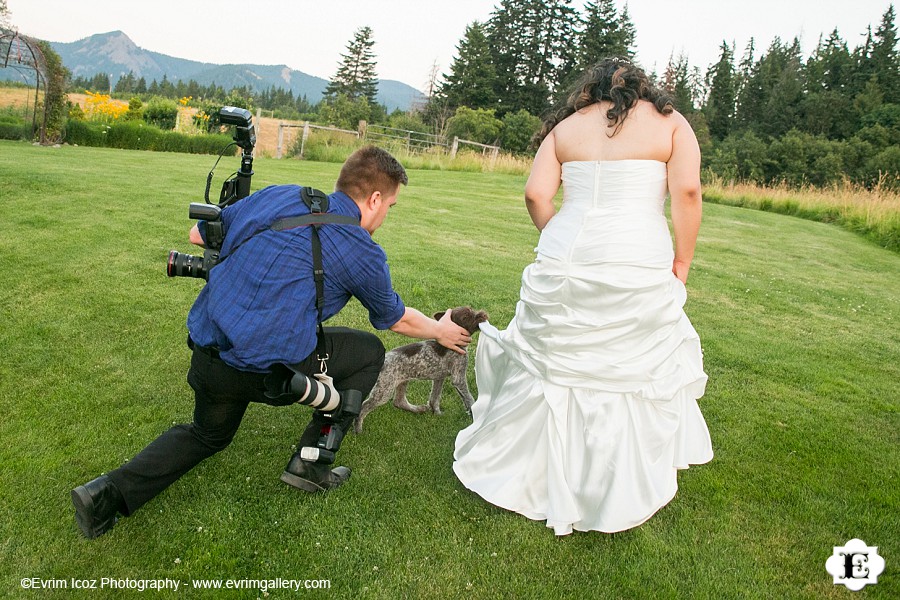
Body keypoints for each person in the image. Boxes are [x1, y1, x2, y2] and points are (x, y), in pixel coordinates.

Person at [71, 145, 472, 539]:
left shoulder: (282, 195)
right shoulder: (362, 250)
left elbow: (198, 235)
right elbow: (396, 319)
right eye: (390, 208)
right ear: (375, 198)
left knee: (206, 435)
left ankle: (104, 494)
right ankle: (311, 463)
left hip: (209, 353)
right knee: (368, 352)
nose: (386, 217)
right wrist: (441, 330)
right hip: (273, 374)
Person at [452, 58, 713, 536]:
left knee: (555, 362)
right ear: (640, 87)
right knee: (625, 366)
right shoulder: (672, 124)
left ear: (588, 89)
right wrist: (682, 264)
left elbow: (535, 194)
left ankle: (533, 473)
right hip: (637, 253)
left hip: (566, 253)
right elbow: (689, 192)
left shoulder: (567, 128)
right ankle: (611, 484)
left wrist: (559, 237)